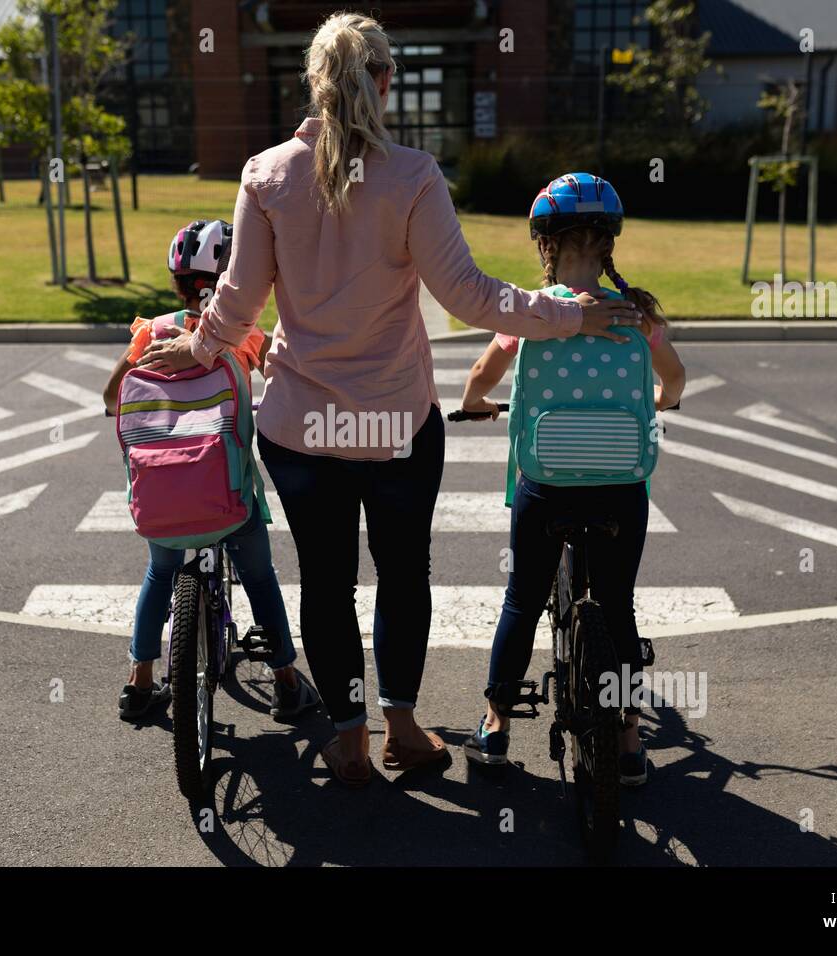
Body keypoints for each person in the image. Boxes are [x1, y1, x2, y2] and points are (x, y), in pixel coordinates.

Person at [136, 15, 641, 787]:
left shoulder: (266, 174)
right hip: (397, 426)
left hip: (302, 429)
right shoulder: (412, 175)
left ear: (314, 81)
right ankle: (403, 726)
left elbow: (236, 301)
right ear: (384, 81)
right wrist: (572, 312)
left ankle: (349, 740)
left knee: (327, 584)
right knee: (403, 576)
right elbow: (471, 298)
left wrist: (198, 347)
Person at [458, 173, 686, 786]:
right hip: (620, 484)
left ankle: (495, 725)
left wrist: (476, 400)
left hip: (546, 481)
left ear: (546, 246)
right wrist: (661, 399)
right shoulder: (638, 314)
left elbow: (484, 372)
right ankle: (631, 739)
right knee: (617, 605)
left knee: (522, 600)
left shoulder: (539, 314)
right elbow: (676, 379)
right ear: (608, 243)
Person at [103, 218, 320, 723]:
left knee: (160, 572)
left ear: (177, 281)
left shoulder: (153, 333)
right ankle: (286, 683)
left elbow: (113, 397)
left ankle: (138, 684)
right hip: (230, 495)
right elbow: (287, 380)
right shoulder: (241, 336)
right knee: (260, 577)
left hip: (162, 497)